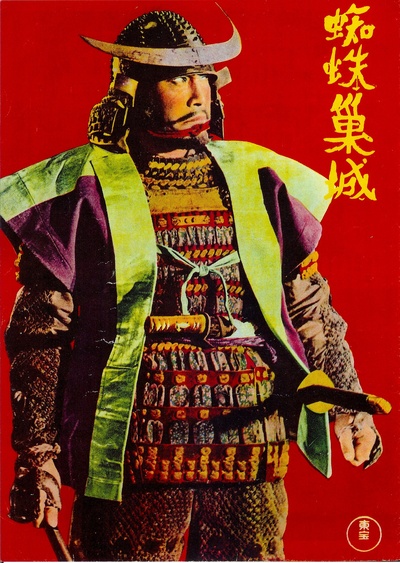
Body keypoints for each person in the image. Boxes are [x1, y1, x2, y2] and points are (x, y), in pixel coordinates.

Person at [0, 8, 383, 561]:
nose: (198, 91)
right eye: (177, 78)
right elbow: (41, 334)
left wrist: (348, 403)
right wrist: (38, 453)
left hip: (251, 431)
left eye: (203, 75)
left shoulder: (259, 177)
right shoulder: (78, 188)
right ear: (130, 90)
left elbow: (310, 308)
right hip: (134, 437)